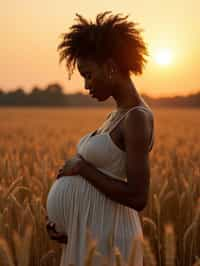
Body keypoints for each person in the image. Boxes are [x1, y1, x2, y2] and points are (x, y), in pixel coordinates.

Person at [46, 11, 154, 266]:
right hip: (90, 234)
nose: (85, 85)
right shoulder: (116, 114)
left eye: (88, 74)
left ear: (110, 68)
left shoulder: (137, 117)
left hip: (111, 238)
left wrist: (82, 168)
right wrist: (69, 224)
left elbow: (138, 197)